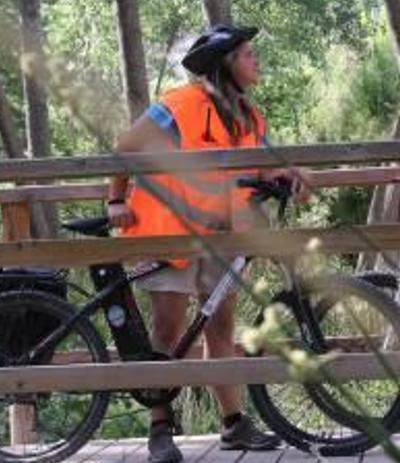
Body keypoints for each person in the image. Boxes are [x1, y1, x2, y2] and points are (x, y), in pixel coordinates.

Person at [107, 24, 309, 462]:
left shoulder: (250, 116)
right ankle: (160, 428)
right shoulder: (178, 106)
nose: (256, 61)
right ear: (226, 63)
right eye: (248, 54)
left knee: (220, 328)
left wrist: (290, 173)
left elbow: (265, 161)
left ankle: (233, 423)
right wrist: (114, 199)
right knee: (167, 329)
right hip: (172, 233)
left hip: (221, 236)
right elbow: (125, 145)